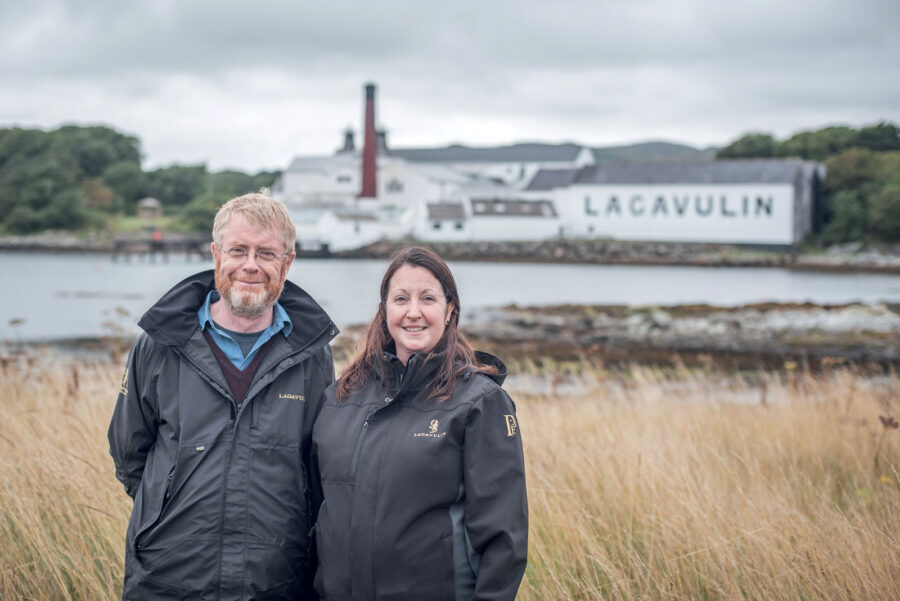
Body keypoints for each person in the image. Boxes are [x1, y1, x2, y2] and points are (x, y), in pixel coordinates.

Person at [108, 192, 337, 600]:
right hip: (167, 576)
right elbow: (130, 454)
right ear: (216, 254)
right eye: (238, 250)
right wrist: (168, 513)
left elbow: (316, 465)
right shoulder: (160, 344)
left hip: (274, 580)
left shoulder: (312, 354)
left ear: (287, 262)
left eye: (267, 253)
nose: (251, 265)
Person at [312, 246, 528, 601]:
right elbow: (317, 516)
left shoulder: (480, 402)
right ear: (384, 310)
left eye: (428, 298)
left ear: (450, 309)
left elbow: (504, 540)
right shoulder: (338, 398)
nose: (413, 312)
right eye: (401, 299)